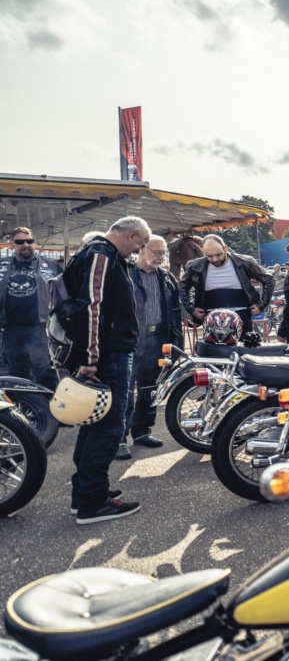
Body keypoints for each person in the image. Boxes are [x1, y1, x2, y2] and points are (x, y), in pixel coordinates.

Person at [64, 216, 149, 524]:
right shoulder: (101, 254)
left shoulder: (98, 253)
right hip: (107, 355)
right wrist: (90, 358)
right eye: (140, 245)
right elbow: (92, 306)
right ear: (132, 235)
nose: (137, 252)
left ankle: (86, 492)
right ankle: (93, 501)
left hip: (105, 353)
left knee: (95, 424)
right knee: (109, 426)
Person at [118, 234, 183, 460]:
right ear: (141, 250)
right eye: (157, 252)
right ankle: (118, 439)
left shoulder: (166, 277)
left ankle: (142, 432)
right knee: (124, 393)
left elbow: (175, 312)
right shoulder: (125, 273)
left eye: (163, 253)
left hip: (158, 340)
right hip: (130, 340)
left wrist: (176, 343)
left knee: (150, 390)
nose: (161, 257)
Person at [0, 226, 59, 390]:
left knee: (44, 369)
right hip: (10, 328)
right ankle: (23, 403)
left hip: (40, 328)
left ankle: (49, 403)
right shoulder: (2, 264)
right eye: (19, 242)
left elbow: (66, 290)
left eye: (29, 241)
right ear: (12, 244)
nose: (25, 245)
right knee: (16, 373)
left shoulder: (50, 265)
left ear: (35, 243)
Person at [179, 235, 274, 334]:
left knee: (244, 344)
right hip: (211, 322)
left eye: (218, 254)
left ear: (225, 248)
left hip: (242, 319)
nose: (215, 259)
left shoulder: (245, 262)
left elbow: (269, 279)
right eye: (210, 256)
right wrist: (191, 309)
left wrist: (261, 305)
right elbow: (182, 287)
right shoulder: (195, 266)